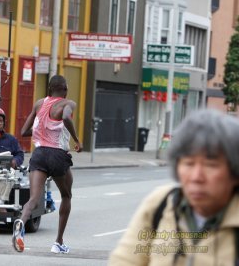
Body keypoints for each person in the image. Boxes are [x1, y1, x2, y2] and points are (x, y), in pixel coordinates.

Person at [109, 109, 239, 265]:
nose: (196, 177)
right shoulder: (161, 203)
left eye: (210, 165)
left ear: (234, 171)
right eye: (188, 164)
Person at [13, 74, 83, 253]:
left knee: (34, 199)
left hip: (39, 153)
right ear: (65, 89)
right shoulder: (68, 103)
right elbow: (66, 118)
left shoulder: (39, 103)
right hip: (58, 154)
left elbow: (24, 131)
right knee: (66, 195)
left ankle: (21, 222)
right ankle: (58, 242)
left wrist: (42, 131)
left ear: (50, 88)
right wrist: (76, 140)